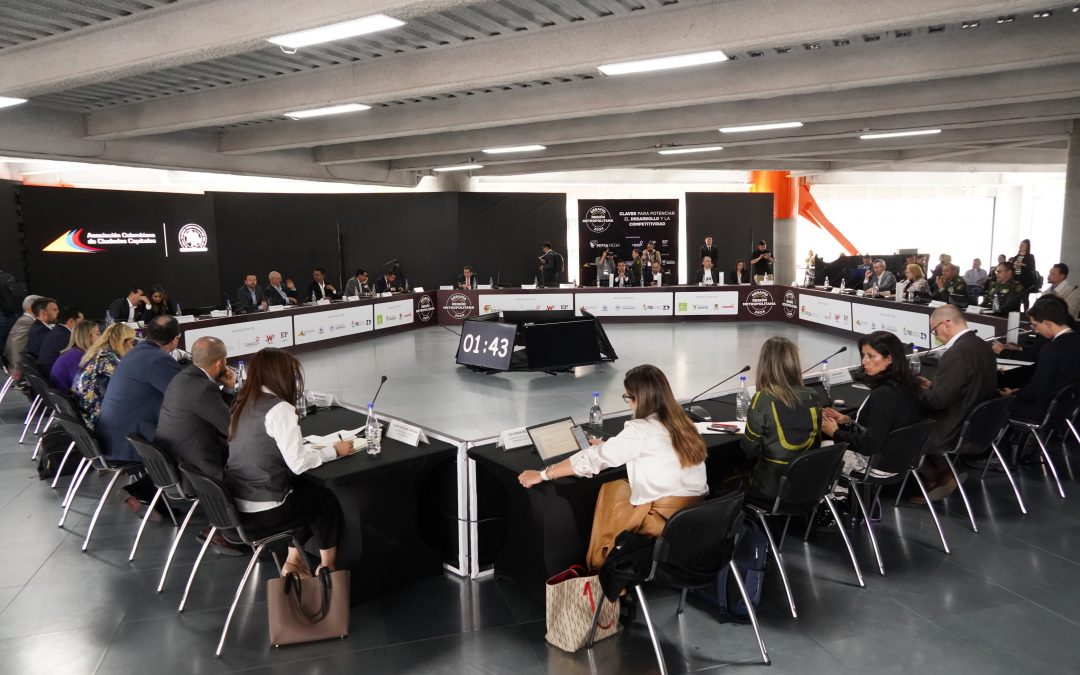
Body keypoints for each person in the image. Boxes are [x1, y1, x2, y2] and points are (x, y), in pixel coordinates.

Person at [516, 364, 707, 570]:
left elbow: (591, 460)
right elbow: (654, 449)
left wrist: (544, 474)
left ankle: (600, 562)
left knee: (611, 490)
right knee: (621, 487)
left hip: (658, 521)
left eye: (628, 397)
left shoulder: (639, 429)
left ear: (639, 398)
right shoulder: (684, 423)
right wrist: (612, 446)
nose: (628, 403)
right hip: (691, 518)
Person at [226, 348, 352, 577]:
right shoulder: (278, 408)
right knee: (325, 501)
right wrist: (334, 451)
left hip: (236, 508)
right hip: (264, 512)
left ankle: (294, 561)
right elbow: (298, 464)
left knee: (304, 494)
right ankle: (328, 568)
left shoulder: (243, 402)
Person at [915, 305, 998, 502]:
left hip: (952, 429)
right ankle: (947, 471)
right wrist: (935, 386)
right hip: (978, 426)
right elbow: (968, 385)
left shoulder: (956, 353)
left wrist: (911, 390)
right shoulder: (982, 345)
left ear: (946, 324)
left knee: (902, 426)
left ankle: (937, 477)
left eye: (934, 331)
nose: (936, 336)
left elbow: (937, 401)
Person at [822, 331, 923, 483]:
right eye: (864, 355)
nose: (864, 361)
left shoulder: (884, 394)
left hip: (878, 465)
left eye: (871, 356)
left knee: (820, 452)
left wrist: (835, 433)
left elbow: (870, 444)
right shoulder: (908, 385)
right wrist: (848, 420)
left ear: (889, 359)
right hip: (902, 461)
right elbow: (886, 423)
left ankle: (836, 495)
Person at [741, 337, 822, 503]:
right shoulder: (812, 396)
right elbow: (817, 441)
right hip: (807, 485)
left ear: (765, 364)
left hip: (772, 487)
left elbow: (749, 449)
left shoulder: (762, 399)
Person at [96, 315, 182, 465]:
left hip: (111, 436)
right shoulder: (158, 359)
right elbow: (185, 395)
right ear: (176, 339)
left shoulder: (136, 352)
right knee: (194, 438)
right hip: (130, 442)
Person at [155, 337, 236, 489]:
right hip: (196, 471)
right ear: (219, 363)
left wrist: (228, 389)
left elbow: (214, 410)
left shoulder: (181, 377)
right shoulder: (203, 388)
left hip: (172, 462)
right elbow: (230, 428)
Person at [999, 298, 1080, 422]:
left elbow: (1037, 390)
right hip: (1072, 408)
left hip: (1047, 411)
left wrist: (1014, 394)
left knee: (994, 406)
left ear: (1047, 323)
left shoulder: (1051, 349)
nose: (1036, 330)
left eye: (1036, 325)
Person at [72, 323, 137, 430]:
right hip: (93, 418)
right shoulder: (108, 359)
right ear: (122, 342)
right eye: (132, 343)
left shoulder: (101, 353)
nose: (132, 347)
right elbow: (130, 383)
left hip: (84, 411)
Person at [49, 320, 98, 390]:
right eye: (98, 334)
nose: (101, 337)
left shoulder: (74, 352)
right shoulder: (78, 356)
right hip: (67, 394)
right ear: (87, 337)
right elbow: (81, 386)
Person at [2, 294, 41, 382]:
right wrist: (17, 369)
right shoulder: (26, 322)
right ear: (31, 308)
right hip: (19, 369)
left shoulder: (27, 320)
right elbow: (18, 345)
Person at [37, 306, 83, 374]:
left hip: (47, 369)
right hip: (53, 373)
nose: (83, 326)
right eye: (81, 322)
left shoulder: (58, 330)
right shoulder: (66, 336)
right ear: (71, 321)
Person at [25, 296, 58, 361]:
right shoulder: (42, 333)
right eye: (55, 310)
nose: (58, 312)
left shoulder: (37, 327)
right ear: (43, 313)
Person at [1009, 238, 1037, 310]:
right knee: (1015, 297)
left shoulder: (1030, 256)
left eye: (1023, 245)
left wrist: (1022, 264)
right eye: (1020, 245)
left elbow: (1032, 267)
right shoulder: (1015, 257)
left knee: (1025, 297)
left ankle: (1025, 312)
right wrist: (1014, 267)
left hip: (1026, 280)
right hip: (1016, 279)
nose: (1021, 246)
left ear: (1027, 247)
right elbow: (1011, 268)